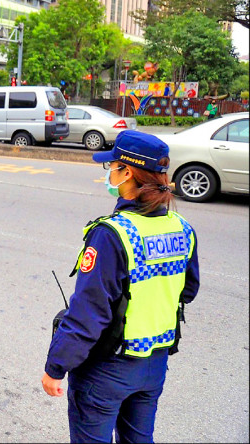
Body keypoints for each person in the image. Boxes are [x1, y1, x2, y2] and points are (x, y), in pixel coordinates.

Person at [41, 130, 200, 443]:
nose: (109, 173)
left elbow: (89, 313)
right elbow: (188, 291)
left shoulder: (112, 234)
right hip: (154, 364)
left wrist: (56, 367)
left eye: (111, 166)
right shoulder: (182, 228)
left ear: (127, 172)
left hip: (108, 368)